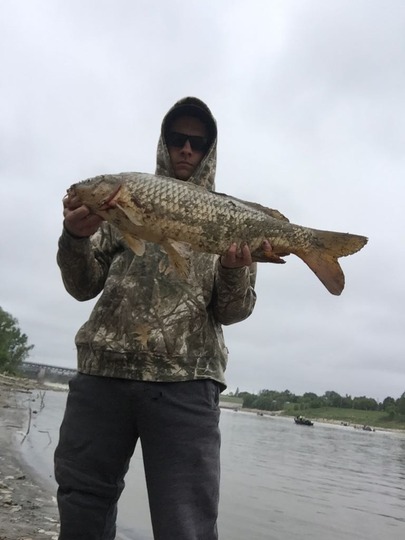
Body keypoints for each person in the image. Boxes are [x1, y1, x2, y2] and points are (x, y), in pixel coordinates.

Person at [55, 96, 271, 540]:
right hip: (103, 374)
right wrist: (74, 238)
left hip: (186, 383)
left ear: (209, 150)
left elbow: (233, 312)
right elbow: (81, 286)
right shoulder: (120, 204)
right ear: (164, 142)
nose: (186, 149)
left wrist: (233, 270)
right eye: (177, 138)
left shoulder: (228, 218)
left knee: (185, 525)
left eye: (197, 142)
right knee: (82, 510)